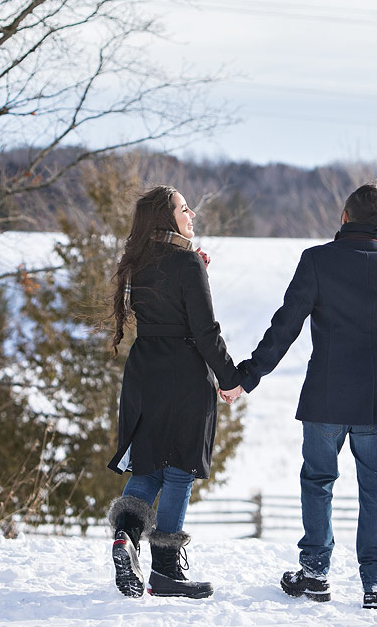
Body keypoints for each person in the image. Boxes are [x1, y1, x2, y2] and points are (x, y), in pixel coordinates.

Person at [223, 183, 377, 610]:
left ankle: (315, 574)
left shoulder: (317, 260)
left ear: (343, 216)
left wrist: (248, 376)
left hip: (326, 395)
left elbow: (285, 326)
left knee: (318, 482)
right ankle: (376, 585)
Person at [106, 184, 244, 600]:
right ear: (168, 218)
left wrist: (194, 265)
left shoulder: (137, 263)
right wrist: (229, 376)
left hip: (145, 371)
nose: (192, 215)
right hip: (184, 375)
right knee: (180, 470)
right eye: (185, 209)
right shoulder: (187, 263)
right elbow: (204, 330)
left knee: (147, 467)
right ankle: (165, 570)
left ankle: (125, 538)